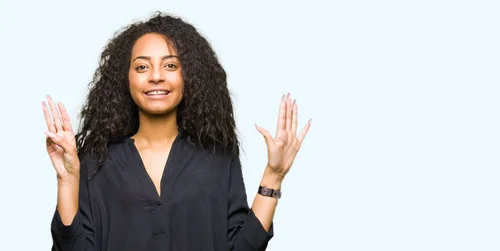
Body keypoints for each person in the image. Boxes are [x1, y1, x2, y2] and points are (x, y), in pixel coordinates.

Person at [43, 12, 311, 251]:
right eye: (142, 66)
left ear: (189, 77)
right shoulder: (95, 161)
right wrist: (67, 179)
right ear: (126, 78)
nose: (156, 76)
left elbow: (243, 246)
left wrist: (273, 177)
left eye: (170, 65)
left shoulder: (217, 156)